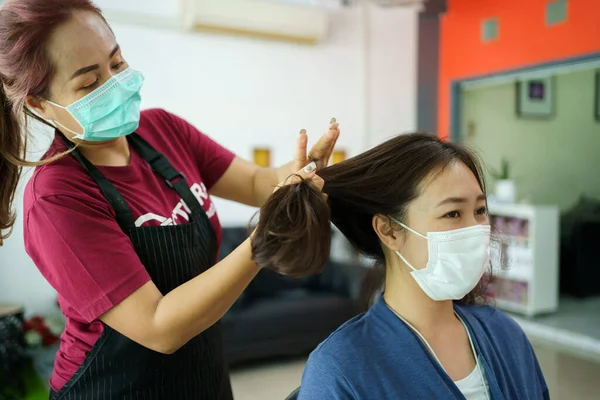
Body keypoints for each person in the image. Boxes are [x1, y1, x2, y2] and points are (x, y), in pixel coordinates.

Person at [0, 0, 339, 398]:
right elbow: (159, 327)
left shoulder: (163, 130)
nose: (114, 83)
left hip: (203, 373)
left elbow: (261, 183)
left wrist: (304, 171)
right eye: (89, 83)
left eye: (118, 63)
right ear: (40, 104)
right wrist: (263, 242)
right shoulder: (58, 196)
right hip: (115, 387)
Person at [253, 133, 549, 399]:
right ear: (389, 231)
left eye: (480, 210)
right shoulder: (340, 368)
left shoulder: (504, 334)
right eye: (453, 213)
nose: (475, 230)